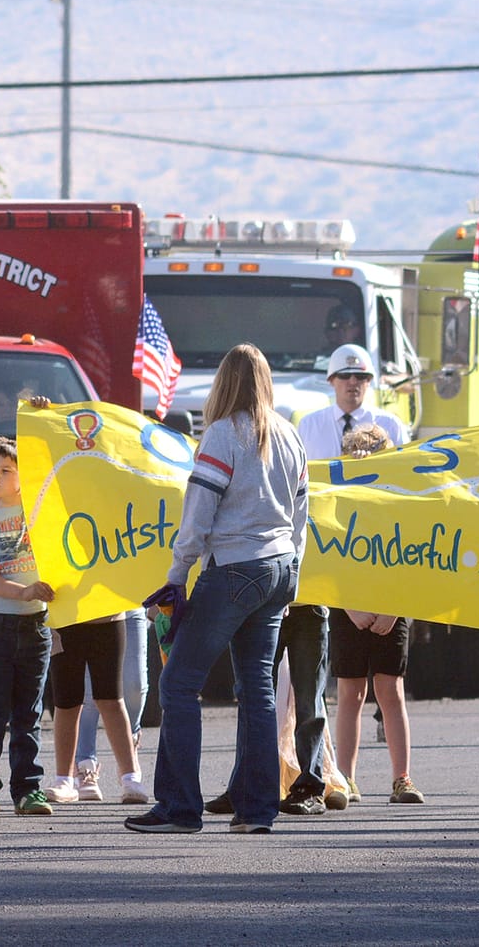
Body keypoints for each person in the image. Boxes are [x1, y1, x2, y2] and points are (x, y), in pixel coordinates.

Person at [126, 343, 309, 835]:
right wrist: (293, 576)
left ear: (223, 383)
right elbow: (301, 515)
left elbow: (199, 515)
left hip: (232, 567)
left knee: (179, 683)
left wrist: (177, 573)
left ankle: (179, 807)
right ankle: (257, 811)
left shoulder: (222, 435)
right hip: (279, 569)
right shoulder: (289, 435)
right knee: (258, 689)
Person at [237, 342, 405, 817]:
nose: (354, 385)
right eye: (346, 377)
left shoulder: (391, 427)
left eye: (363, 378)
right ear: (331, 382)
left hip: (351, 562)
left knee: (325, 689)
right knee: (271, 688)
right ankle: (266, 776)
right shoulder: (306, 426)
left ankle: (319, 778)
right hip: (303, 565)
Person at [325, 424, 422, 806]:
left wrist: (394, 610)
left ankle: (402, 777)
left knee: (390, 690)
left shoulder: (402, 501)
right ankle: (345, 777)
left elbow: (419, 561)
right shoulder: (339, 499)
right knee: (351, 692)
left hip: (391, 608)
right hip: (349, 607)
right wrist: (350, 606)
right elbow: (328, 557)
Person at [0, 438, 58, 817]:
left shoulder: (44, 517)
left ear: (24, 477)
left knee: (28, 712)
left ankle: (28, 789)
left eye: (6, 470)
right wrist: (25, 591)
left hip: (36, 626)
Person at [73, 610, 149, 802]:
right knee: (90, 695)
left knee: (135, 686)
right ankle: (85, 765)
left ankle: (130, 744)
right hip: (88, 610)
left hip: (130, 605)